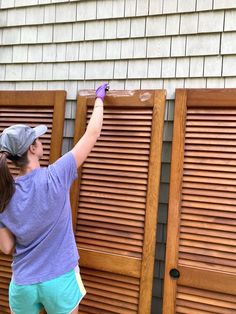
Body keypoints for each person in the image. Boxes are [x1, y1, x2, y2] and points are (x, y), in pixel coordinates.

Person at [0, 83, 108, 314]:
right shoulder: (57, 175)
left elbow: (7, 247)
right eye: (37, 138)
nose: (41, 141)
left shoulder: (4, 194)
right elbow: (93, 133)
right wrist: (99, 99)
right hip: (59, 280)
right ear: (32, 148)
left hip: (23, 284)